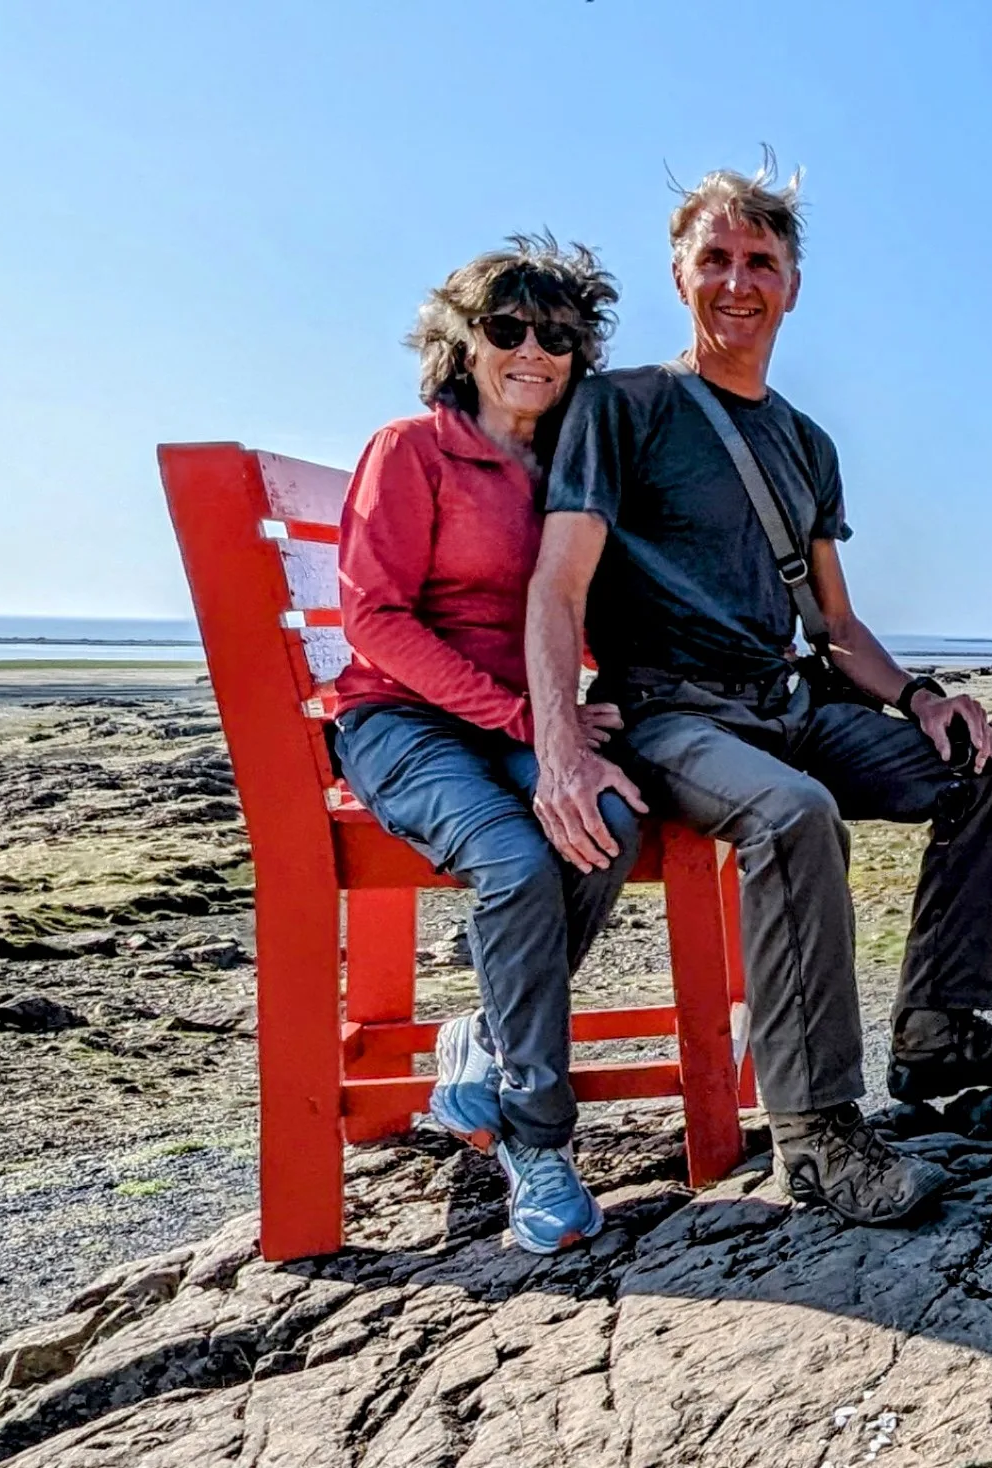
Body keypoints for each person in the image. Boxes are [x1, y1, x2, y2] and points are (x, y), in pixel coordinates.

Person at [526, 162, 992, 1226]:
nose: (740, 283)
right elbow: (556, 586)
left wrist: (923, 697)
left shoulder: (807, 441)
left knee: (978, 766)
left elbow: (833, 622)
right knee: (793, 814)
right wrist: (561, 743)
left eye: (761, 263)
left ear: (792, 285)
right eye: (717, 261)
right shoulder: (620, 408)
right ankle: (817, 1133)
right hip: (671, 716)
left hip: (784, 702)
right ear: (680, 275)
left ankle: (939, 1026)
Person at [331, 235, 645, 1254]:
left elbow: (580, 611)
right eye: (506, 328)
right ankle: (538, 1139)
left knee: (605, 817)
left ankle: (490, 1036)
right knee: (515, 859)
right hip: (399, 721)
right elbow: (373, 620)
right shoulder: (410, 451)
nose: (533, 351)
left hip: (514, 720)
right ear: (462, 343)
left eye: (556, 335)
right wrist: (527, 722)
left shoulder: (563, 469)